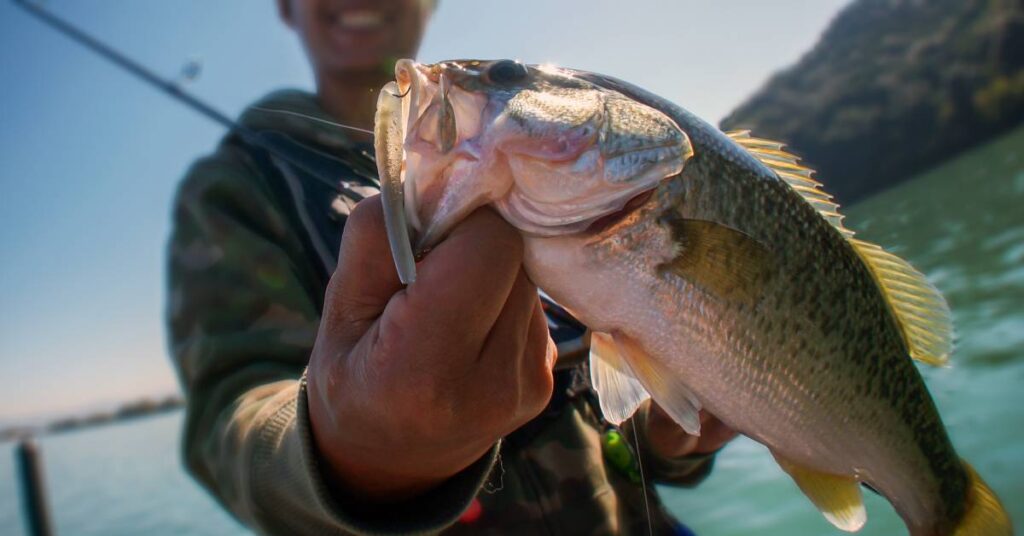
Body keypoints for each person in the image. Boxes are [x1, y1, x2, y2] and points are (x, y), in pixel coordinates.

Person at [167, 0, 737, 534]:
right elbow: (227, 419)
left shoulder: (561, 188)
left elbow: (611, 392)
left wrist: (670, 439)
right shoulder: (235, 188)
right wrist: (357, 456)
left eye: (506, 79)